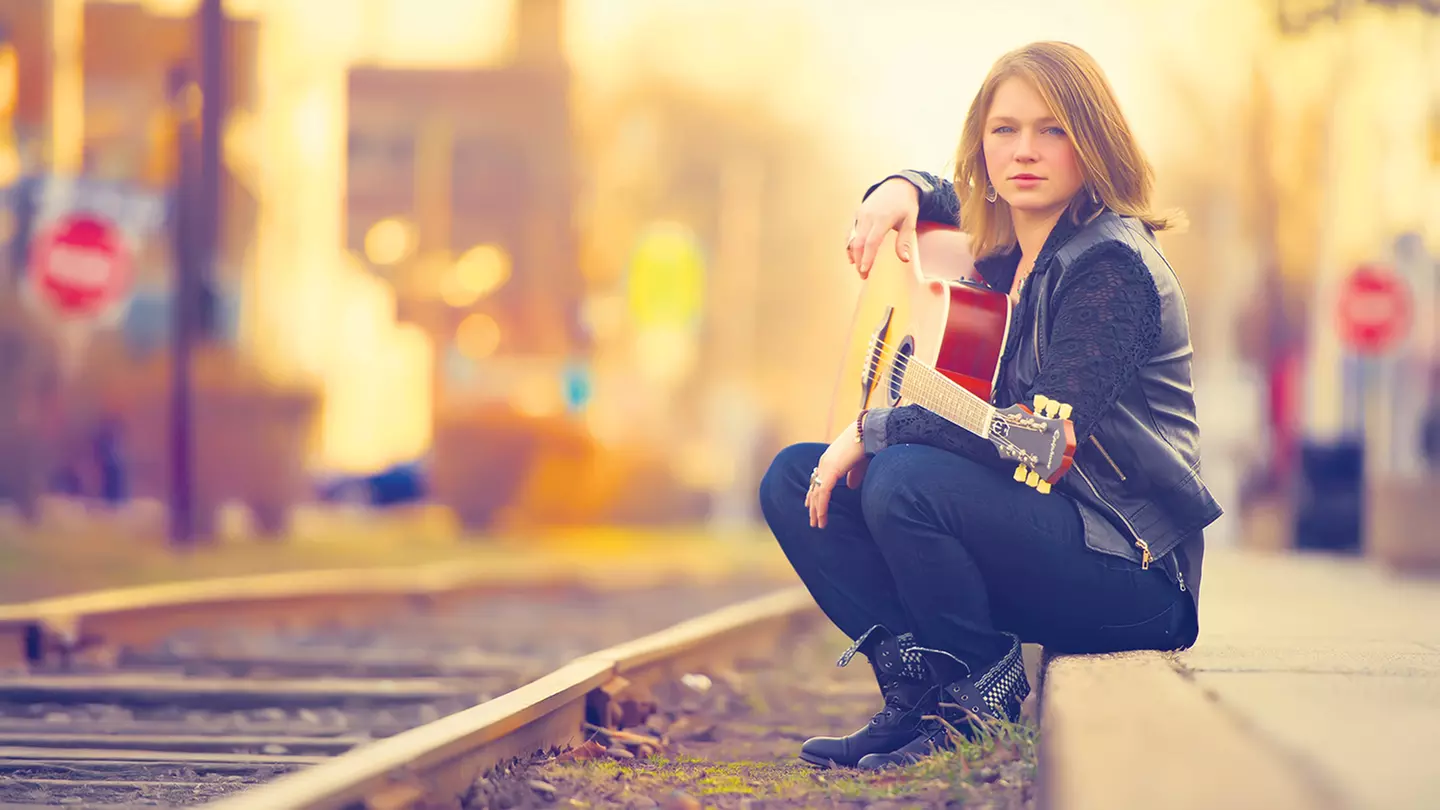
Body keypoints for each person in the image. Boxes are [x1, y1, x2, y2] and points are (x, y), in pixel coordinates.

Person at [758, 41, 1223, 770]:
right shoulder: (1006, 255)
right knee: (792, 479)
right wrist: (898, 188)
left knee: (901, 476)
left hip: (1129, 571)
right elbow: (947, 194)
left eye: (1053, 129)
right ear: (982, 143)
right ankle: (923, 695)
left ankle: (982, 689)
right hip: (1034, 533)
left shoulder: (1113, 269)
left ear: (1091, 141)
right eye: (1004, 129)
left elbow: (1041, 443)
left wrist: (878, 427)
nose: (1025, 151)